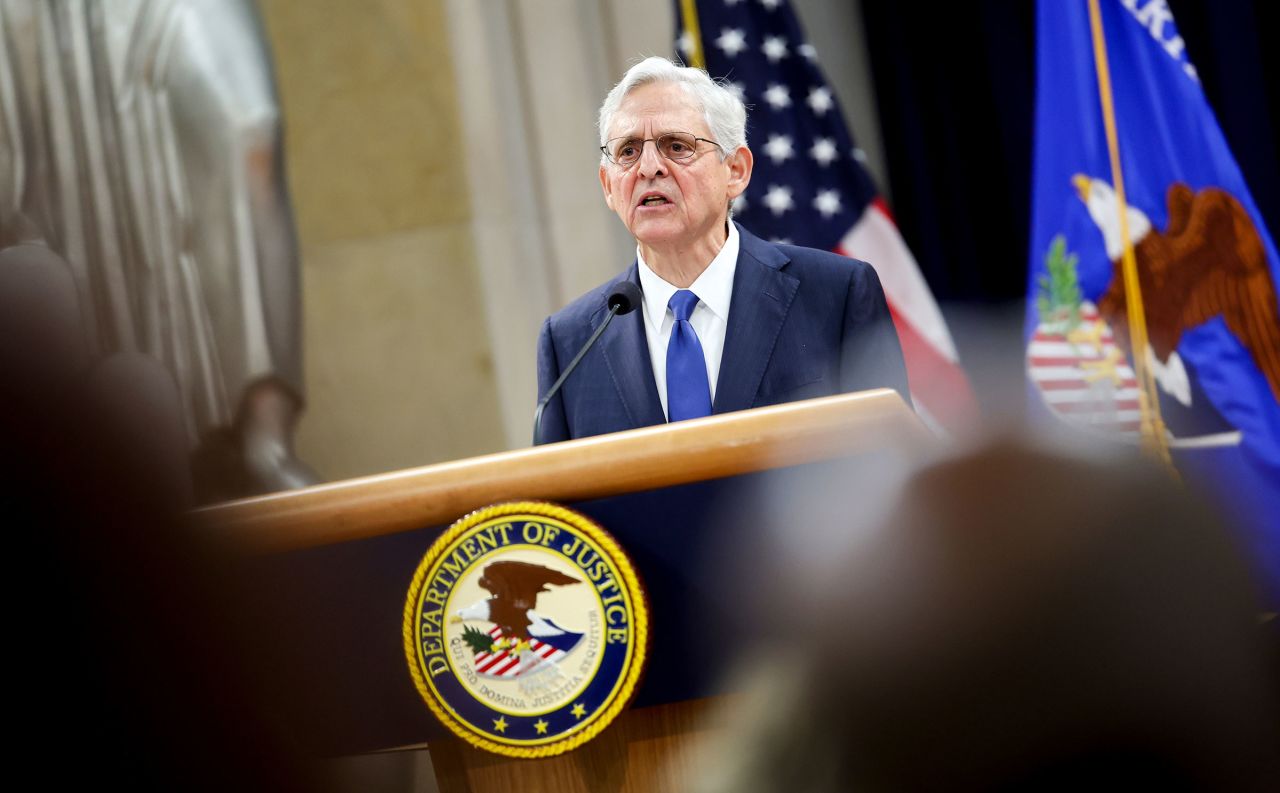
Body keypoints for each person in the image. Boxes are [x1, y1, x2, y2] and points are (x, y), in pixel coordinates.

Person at [535, 57, 909, 443]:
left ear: (736, 171)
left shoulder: (836, 294)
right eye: (627, 151)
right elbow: (552, 502)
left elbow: (891, 467)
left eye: (676, 146)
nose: (648, 167)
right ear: (608, 186)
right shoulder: (570, 342)